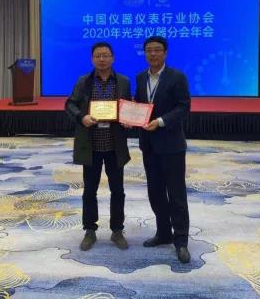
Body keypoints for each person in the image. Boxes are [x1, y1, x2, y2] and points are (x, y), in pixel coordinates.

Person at [65, 42, 132, 251]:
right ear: (92, 59)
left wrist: (129, 118)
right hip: (91, 145)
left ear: (113, 58)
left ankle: (117, 230)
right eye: (98, 55)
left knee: (118, 190)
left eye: (106, 55)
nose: (102, 59)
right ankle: (90, 230)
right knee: (89, 190)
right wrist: (81, 117)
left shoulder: (123, 81)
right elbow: (70, 104)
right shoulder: (83, 81)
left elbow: (128, 106)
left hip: (114, 145)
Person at [134, 36, 192, 264]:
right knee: (155, 192)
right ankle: (163, 233)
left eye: (157, 50)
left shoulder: (177, 77)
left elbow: (183, 108)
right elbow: (140, 105)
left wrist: (159, 122)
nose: (153, 54)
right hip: (149, 145)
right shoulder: (141, 77)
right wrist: (131, 116)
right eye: (149, 50)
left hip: (171, 145)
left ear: (165, 53)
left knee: (176, 194)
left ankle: (181, 241)